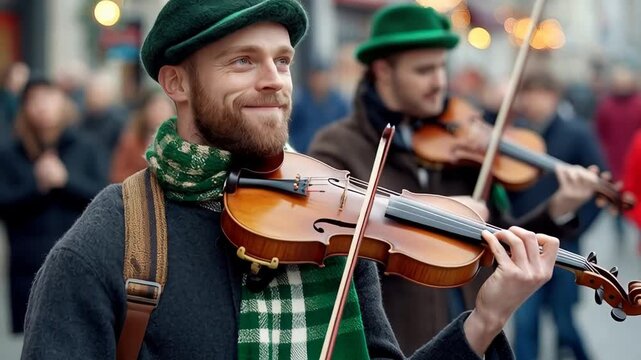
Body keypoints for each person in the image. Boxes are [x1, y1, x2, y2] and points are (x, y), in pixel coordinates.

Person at [22, 1, 559, 359]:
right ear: (176, 82)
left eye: (283, 60)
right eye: (242, 61)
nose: (274, 80)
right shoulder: (114, 238)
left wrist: (485, 319)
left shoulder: (330, 218)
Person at [308, 4, 600, 355]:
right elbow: (328, 251)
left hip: (471, 338)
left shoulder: (461, 149)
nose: (440, 82)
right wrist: (436, 212)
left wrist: (558, 208)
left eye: (442, 67)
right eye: (424, 70)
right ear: (383, 70)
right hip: (400, 342)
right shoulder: (338, 147)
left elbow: (501, 244)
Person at [510, 72, 606, 360]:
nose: (532, 102)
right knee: (525, 324)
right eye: (527, 95)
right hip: (525, 243)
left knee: (564, 322)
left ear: (553, 97)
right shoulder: (515, 135)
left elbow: (599, 187)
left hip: (565, 244)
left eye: (539, 94)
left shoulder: (577, 133)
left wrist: (575, 226)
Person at [0, 77, 106, 334]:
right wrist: (37, 186)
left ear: (62, 102)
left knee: (78, 335)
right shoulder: (11, 152)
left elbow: (104, 197)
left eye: (48, 97)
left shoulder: (85, 146)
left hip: (78, 260)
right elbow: (4, 204)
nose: (41, 106)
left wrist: (65, 181)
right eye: (33, 100)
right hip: (27, 264)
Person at [110, 91, 175, 183]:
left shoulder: (180, 142)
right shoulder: (131, 140)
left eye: (163, 109)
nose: (158, 113)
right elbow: (117, 174)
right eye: (154, 108)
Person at [288, 60, 349, 153]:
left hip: (331, 154)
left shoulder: (340, 104)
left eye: (323, 78)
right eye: (317, 78)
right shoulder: (300, 102)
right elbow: (291, 130)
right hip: (304, 154)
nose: (320, 82)